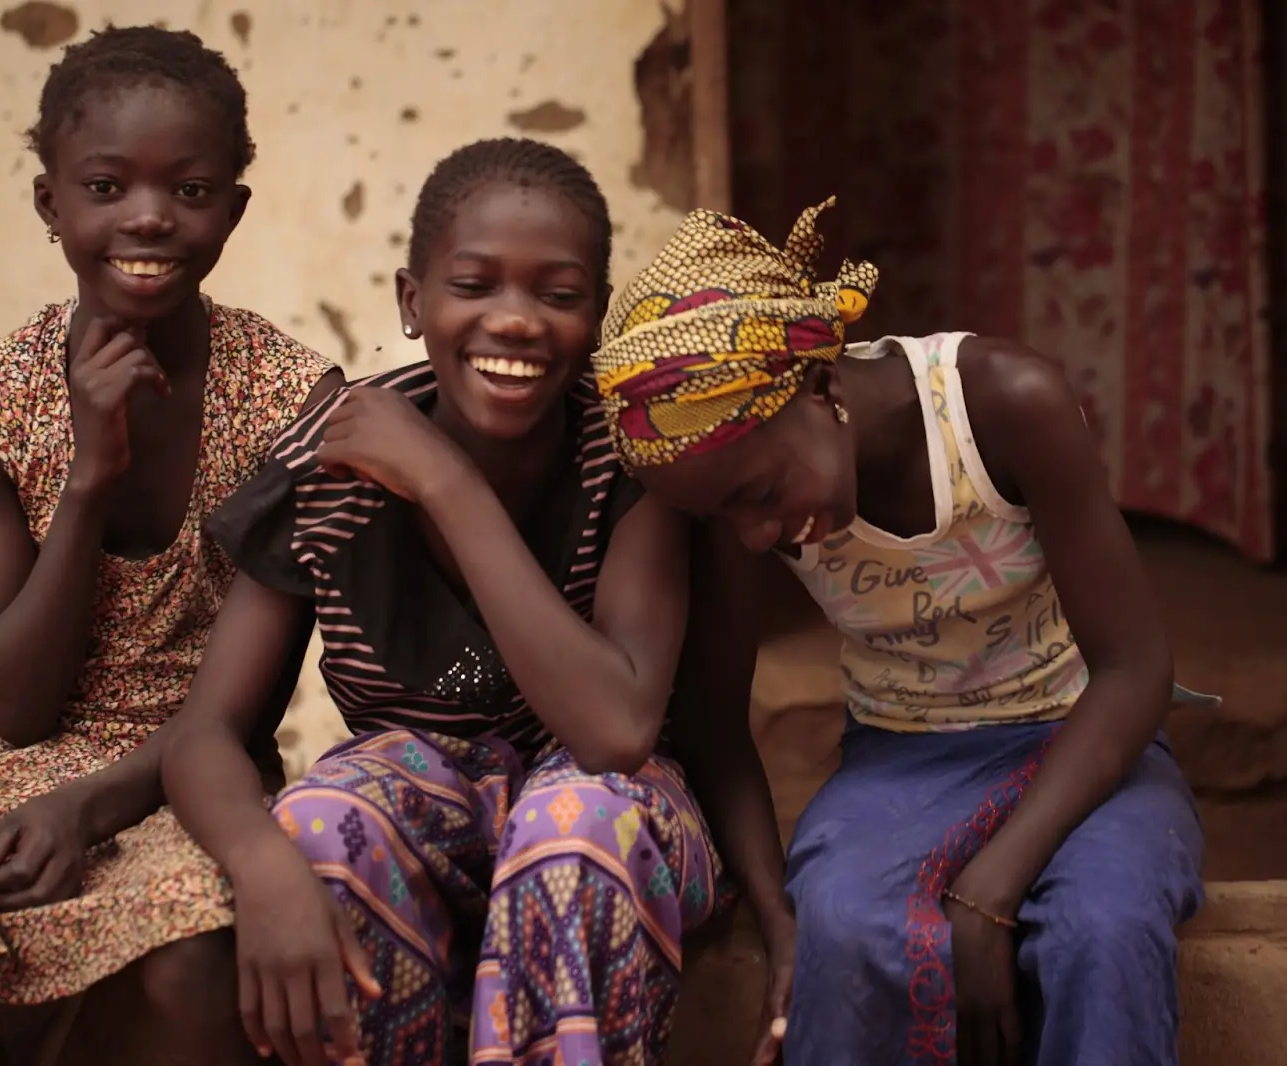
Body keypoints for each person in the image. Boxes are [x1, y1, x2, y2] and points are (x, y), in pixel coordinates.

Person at [591, 201, 1206, 1066]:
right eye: (725, 517)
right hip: (901, 753)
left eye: (761, 495)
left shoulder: (1001, 406)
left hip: (1088, 740)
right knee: (844, 925)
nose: (757, 537)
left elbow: (1137, 668)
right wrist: (779, 920)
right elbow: (718, 724)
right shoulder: (734, 502)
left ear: (821, 387)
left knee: (1102, 930)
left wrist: (989, 892)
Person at [0, 26, 342, 1066]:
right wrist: (87, 478)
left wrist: (91, 806)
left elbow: (239, 711)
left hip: (201, 766)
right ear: (51, 205)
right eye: (106, 185)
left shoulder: (293, 403)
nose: (148, 215)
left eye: (190, 190)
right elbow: (17, 707)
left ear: (232, 212)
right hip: (22, 768)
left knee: (189, 964)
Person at [162, 137, 726, 1066]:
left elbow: (617, 731)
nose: (516, 320)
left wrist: (445, 482)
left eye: (558, 294)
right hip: (431, 804)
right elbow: (205, 734)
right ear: (413, 303)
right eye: (476, 285)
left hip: (619, 815)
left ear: (596, 319)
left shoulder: (630, 456)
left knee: (574, 826)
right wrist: (263, 867)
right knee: (319, 824)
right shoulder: (329, 466)